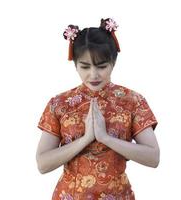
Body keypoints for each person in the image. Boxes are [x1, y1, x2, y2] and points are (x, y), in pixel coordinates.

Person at [36, 18, 159, 200]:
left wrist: (105, 138)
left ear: (113, 62)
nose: (93, 74)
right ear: (75, 65)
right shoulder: (59, 103)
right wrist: (85, 139)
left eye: (101, 66)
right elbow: (43, 164)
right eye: (85, 67)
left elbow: (153, 157)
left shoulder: (133, 101)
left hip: (118, 196)